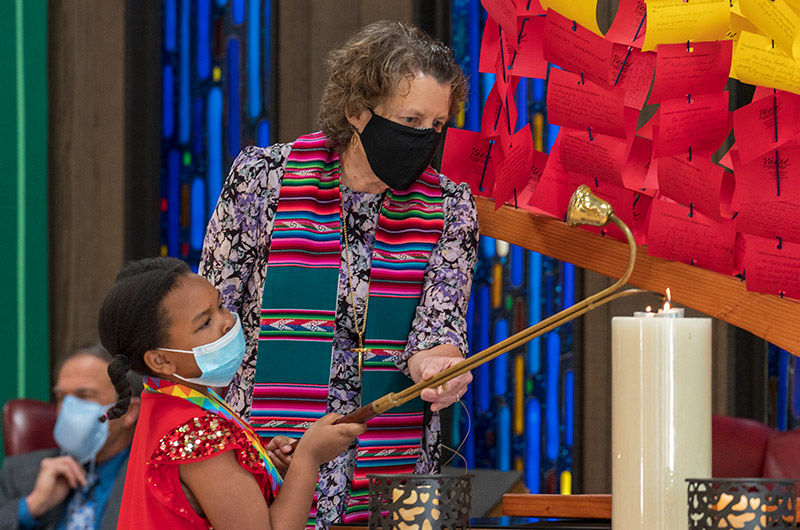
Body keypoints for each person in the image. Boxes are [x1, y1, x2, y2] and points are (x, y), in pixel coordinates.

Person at [200, 19, 478, 527]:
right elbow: (213, 310)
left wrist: (439, 369)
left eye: (437, 126)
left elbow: (439, 326)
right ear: (356, 110)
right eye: (411, 121)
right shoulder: (265, 179)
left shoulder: (451, 207)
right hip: (271, 447)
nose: (424, 139)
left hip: (390, 461)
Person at [98, 257, 364, 529]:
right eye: (205, 323)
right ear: (161, 361)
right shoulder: (196, 432)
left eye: (220, 305)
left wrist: (264, 470)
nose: (226, 321)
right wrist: (309, 458)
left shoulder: (166, 399)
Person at [0, 343, 141, 530]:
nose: (68, 409)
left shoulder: (160, 481)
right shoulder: (19, 473)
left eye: (84, 396)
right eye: (62, 398)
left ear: (128, 411)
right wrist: (33, 505)